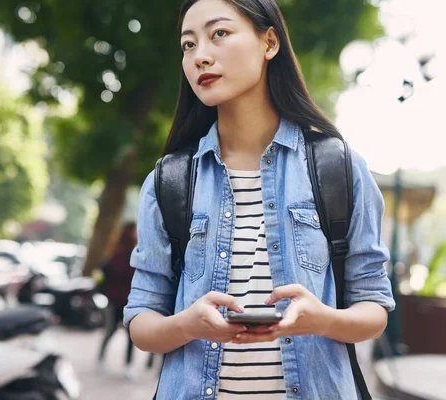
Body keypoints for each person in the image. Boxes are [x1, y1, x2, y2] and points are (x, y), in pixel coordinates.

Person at [123, 1, 395, 399]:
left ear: (269, 42)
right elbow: (141, 323)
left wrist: (321, 319)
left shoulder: (339, 168)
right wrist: (189, 324)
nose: (200, 56)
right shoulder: (169, 181)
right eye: (187, 44)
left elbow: (373, 308)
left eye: (219, 34)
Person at [97, 222, 138, 377]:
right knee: (111, 331)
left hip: (125, 300)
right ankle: (102, 360)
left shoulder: (122, 252)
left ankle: (127, 366)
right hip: (117, 300)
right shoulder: (122, 254)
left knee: (129, 334)